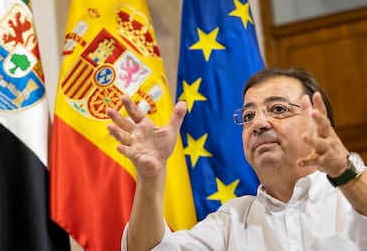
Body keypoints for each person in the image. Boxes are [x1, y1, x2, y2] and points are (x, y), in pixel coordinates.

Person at [106, 67, 367, 251]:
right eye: (248, 116)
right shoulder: (231, 221)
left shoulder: (352, 194)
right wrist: (150, 178)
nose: (259, 124)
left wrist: (343, 169)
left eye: (278, 109)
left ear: (319, 123)